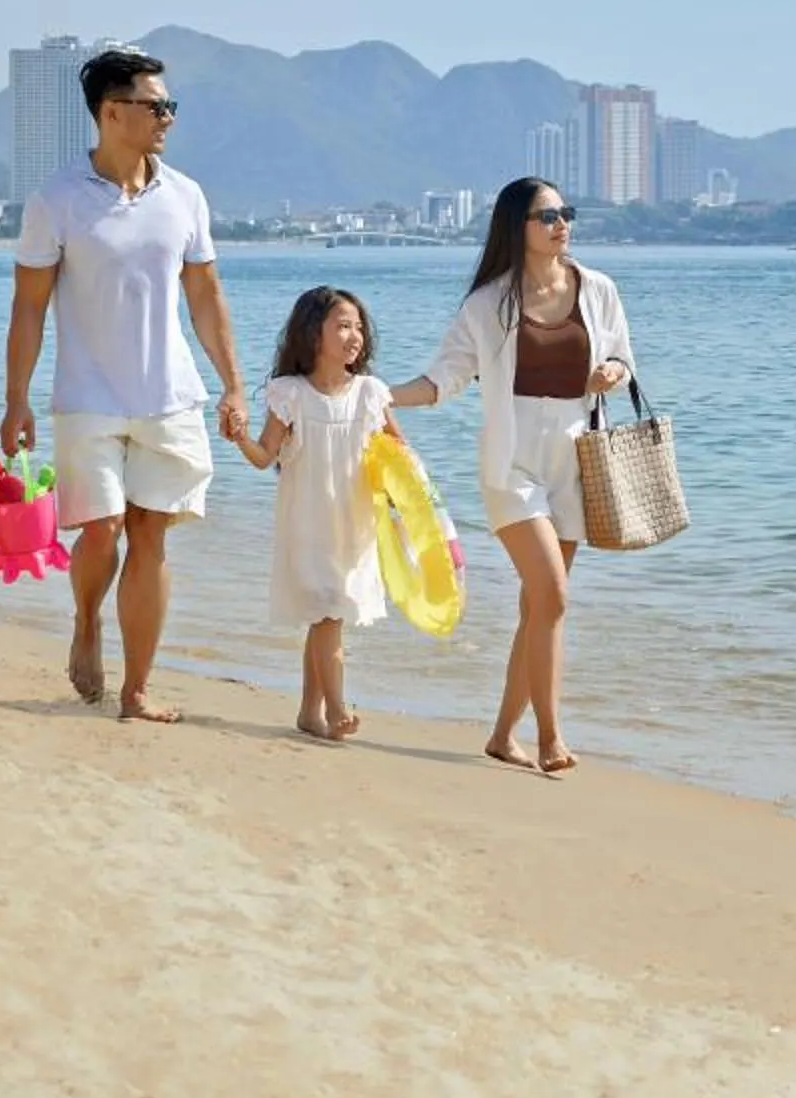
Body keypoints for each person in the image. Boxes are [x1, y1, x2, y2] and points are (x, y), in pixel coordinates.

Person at [3, 47, 248, 723]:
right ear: (113, 114)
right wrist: (16, 398)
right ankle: (87, 620)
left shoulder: (186, 196)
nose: (168, 117)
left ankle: (137, 690)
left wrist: (233, 384)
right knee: (103, 528)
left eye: (169, 105)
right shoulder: (55, 200)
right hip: (86, 397)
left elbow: (205, 294)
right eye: (156, 105)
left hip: (169, 396)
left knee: (150, 535)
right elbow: (28, 306)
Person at [390, 177, 632, 775]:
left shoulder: (598, 290)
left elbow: (625, 360)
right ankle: (551, 737)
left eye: (565, 213)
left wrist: (610, 373)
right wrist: (378, 396)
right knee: (553, 593)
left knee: (539, 608)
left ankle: (502, 735)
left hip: (575, 461)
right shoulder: (488, 305)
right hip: (512, 465)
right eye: (547, 216)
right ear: (516, 227)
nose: (561, 224)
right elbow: (443, 380)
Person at [232, 286, 397, 743]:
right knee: (328, 614)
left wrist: (417, 512)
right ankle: (338, 708)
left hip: (354, 522)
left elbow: (399, 455)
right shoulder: (290, 394)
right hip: (308, 521)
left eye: (359, 326)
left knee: (328, 614)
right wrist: (239, 436)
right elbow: (265, 456)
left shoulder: (369, 393)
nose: (355, 336)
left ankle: (309, 712)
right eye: (343, 326)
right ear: (312, 334)